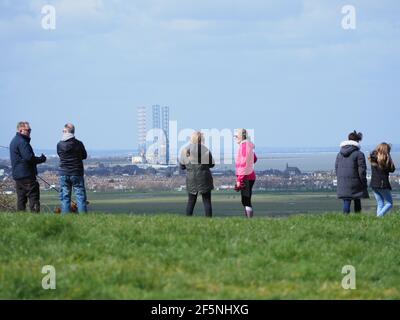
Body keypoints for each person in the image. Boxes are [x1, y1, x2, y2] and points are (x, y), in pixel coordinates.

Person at [9, 121, 47, 212]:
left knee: (21, 199)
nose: (30, 132)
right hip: (27, 175)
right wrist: (41, 159)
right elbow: (28, 158)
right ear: (21, 130)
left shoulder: (14, 141)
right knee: (33, 196)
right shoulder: (22, 142)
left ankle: (21, 218)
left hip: (18, 176)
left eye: (30, 130)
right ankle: (35, 218)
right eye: (28, 130)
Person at [180, 131, 215, 217]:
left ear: (191, 139)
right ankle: (209, 222)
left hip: (191, 179)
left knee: (191, 201)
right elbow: (212, 164)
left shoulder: (184, 151)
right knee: (207, 201)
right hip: (204, 178)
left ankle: (188, 221)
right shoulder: (205, 150)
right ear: (202, 139)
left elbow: (182, 167)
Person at [335, 130, 369, 214]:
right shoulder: (359, 154)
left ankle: (345, 219)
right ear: (357, 141)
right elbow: (362, 171)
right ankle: (357, 218)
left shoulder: (339, 154)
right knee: (357, 201)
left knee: (346, 201)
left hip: (343, 182)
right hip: (356, 182)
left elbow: (336, 169)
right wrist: (364, 182)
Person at [57, 123, 88, 214]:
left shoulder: (59, 144)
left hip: (64, 172)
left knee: (65, 197)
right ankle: (83, 218)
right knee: (80, 196)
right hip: (76, 172)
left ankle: (66, 218)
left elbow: (60, 155)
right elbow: (84, 156)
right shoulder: (78, 143)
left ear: (66, 131)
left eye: (63, 131)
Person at [235, 128, 258, 218]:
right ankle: (248, 219)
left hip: (246, 177)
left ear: (242, 136)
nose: (235, 138)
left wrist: (239, 180)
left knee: (246, 200)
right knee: (245, 200)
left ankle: (249, 220)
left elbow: (243, 164)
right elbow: (254, 159)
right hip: (249, 176)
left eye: (237, 136)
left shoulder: (244, 146)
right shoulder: (247, 145)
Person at [369, 143, 396, 217]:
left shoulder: (373, 158)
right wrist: (389, 157)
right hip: (382, 184)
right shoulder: (385, 160)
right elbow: (392, 169)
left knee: (380, 203)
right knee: (389, 203)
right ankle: (379, 217)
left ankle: (379, 219)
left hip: (374, 184)